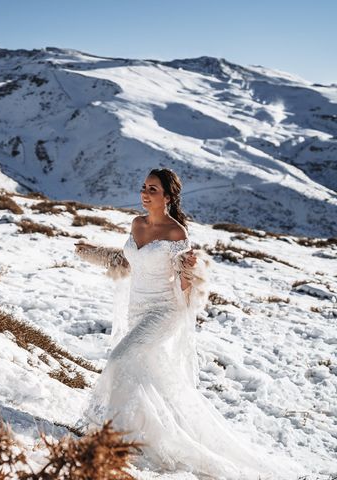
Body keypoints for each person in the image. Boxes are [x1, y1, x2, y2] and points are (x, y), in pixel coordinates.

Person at [74, 168, 304, 479]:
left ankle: (113, 436)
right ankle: (130, 435)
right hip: (136, 310)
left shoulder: (176, 233)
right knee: (142, 372)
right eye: (143, 187)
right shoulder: (137, 223)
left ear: (167, 197)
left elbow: (186, 287)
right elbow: (131, 262)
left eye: (153, 189)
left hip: (163, 312)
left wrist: (187, 271)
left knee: (120, 358)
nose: (144, 193)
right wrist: (95, 253)